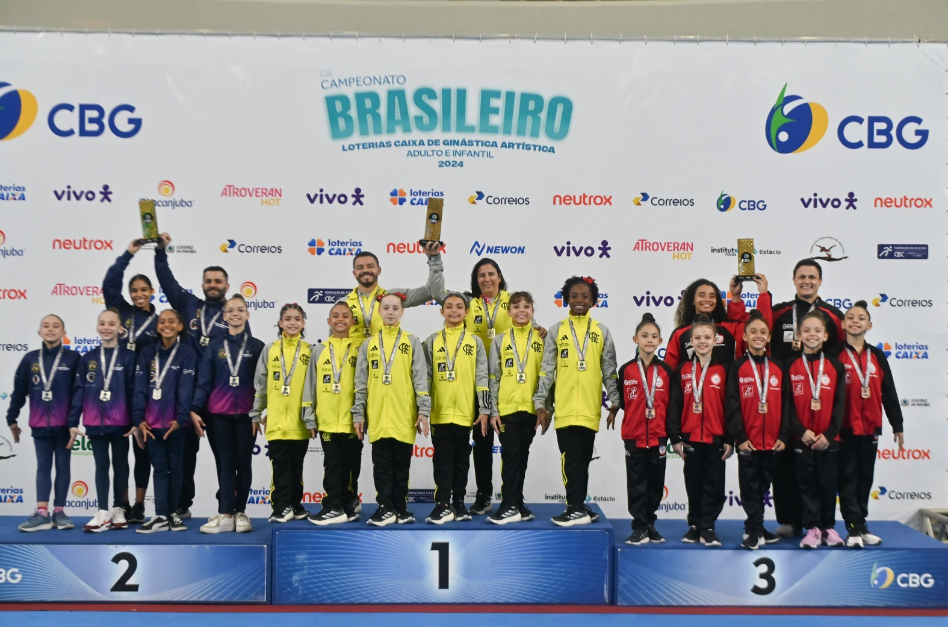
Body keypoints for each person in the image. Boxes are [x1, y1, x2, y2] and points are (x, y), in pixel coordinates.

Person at [342, 244, 443, 514]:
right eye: (360, 267)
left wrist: (433, 258)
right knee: (350, 452)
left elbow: (433, 292)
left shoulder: (394, 298)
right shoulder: (344, 304)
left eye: (370, 266)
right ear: (354, 272)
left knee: (398, 461)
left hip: (396, 395)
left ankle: (396, 507)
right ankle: (349, 501)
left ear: (379, 270)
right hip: (358, 386)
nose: (366, 270)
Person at [154, 232, 235, 521]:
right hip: (186, 399)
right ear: (203, 285)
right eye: (209, 281)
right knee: (184, 456)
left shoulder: (234, 316)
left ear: (227, 286)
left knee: (226, 458)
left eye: (218, 281)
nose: (213, 285)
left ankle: (227, 509)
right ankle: (181, 504)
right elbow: (166, 281)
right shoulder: (189, 305)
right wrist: (160, 252)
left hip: (218, 400)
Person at [459, 259, 545, 514]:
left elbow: (529, 327)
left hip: (509, 386)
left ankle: (514, 499)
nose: (487, 279)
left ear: (499, 276)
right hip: (479, 384)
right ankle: (484, 494)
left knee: (515, 449)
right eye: (481, 275)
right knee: (482, 443)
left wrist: (539, 329)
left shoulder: (513, 301)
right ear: (476, 280)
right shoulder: (470, 304)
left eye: (491, 274)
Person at [534, 276, 620, 527]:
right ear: (566, 299)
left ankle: (579, 505)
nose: (579, 300)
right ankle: (574, 507)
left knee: (582, 460)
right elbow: (546, 371)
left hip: (590, 409)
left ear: (593, 300)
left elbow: (609, 370)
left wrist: (614, 401)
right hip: (565, 409)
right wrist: (541, 404)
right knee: (570, 458)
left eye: (584, 296)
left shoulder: (601, 331)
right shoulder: (556, 330)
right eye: (574, 296)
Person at [770, 259, 844, 539]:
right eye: (801, 276)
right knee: (786, 465)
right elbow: (757, 330)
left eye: (812, 277)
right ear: (793, 279)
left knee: (821, 476)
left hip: (818, 400)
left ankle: (821, 525)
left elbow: (836, 357)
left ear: (820, 281)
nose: (807, 281)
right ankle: (789, 520)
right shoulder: (779, 312)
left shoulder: (833, 315)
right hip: (786, 400)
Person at [829, 300, 904, 548]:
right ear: (842, 323)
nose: (855, 321)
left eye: (861, 318)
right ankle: (852, 527)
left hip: (870, 427)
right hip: (845, 428)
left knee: (865, 478)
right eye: (850, 317)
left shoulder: (878, 356)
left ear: (869, 324)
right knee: (847, 477)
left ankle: (861, 524)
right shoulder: (836, 355)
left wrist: (897, 425)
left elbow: (889, 392)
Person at [352, 292, 431, 526]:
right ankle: (384, 506)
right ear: (379, 311)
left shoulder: (412, 341)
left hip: (403, 415)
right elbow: (360, 382)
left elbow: (420, 378)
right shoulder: (369, 344)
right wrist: (359, 413)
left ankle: (400, 507)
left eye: (395, 308)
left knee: (402, 465)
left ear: (402, 312)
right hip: (377, 416)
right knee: (382, 465)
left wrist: (423, 410)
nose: (390, 312)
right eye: (386, 308)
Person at [191, 295, 264, 533]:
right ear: (224, 316)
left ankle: (240, 512)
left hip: (246, 417)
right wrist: (194, 410)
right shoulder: (214, 346)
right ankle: (225, 514)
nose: (235, 314)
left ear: (247, 315)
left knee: (244, 463)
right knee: (225, 463)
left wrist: (262, 412)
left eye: (240, 310)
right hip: (218, 416)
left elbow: (264, 385)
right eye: (230, 310)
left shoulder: (257, 347)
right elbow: (204, 381)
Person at [7, 314, 82, 532]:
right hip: (39, 424)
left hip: (65, 426)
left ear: (64, 333)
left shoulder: (73, 358)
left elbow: (79, 393)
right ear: (39, 332)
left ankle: (59, 512)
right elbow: (19, 392)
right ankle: (42, 513)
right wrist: (12, 418)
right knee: (43, 468)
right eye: (46, 326)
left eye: (56, 326)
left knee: (63, 467)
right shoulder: (30, 359)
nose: (51, 329)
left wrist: (74, 421)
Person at [103, 239, 160, 524]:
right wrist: (129, 254)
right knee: (118, 454)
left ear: (152, 292)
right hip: (116, 394)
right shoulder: (121, 313)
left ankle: (139, 505)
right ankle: (121, 504)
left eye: (143, 290)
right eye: (134, 291)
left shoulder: (161, 322)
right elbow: (109, 285)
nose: (139, 294)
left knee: (142, 452)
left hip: (146, 396)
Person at [725, 310, 790, 550]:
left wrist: (783, 435)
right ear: (744, 336)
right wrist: (739, 437)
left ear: (770, 337)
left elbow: (786, 404)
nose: (758, 335)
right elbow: (731, 404)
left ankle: (756, 525)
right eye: (753, 331)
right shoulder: (738, 366)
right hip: (748, 441)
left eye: (763, 332)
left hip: (772, 440)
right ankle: (754, 529)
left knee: (763, 486)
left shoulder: (778, 366)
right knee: (749, 486)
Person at [70, 309, 139, 532]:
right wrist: (73, 421)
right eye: (102, 323)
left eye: (111, 323)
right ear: (97, 327)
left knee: (121, 465)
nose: (106, 327)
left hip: (121, 422)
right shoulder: (88, 358)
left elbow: (134, 391)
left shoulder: (129, 357)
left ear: (120, 328)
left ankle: (119, 508)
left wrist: (136, 421)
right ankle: (102, 510)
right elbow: (79, 391)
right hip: (94, 422)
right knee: (101, 465)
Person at [423, 293, 489, 524]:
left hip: (464, 412)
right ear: (441, 311)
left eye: (459, 307)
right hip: (439, 412)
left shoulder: (475, 342)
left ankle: (459, 503)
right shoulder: (431, 341)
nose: (454, 310)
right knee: (442, 458)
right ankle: (442, 503)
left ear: (467, 312)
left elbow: (482, 378)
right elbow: (425, 378)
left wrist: (483, 409)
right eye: (448, 306)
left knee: (461, 458)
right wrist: (424, 408)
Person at [668, 315, 733, 547]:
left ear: (715, 340)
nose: (702, 341)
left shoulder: (724, 370)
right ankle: (695, 524)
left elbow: (730, 407)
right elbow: (674, 404)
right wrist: (675, 436)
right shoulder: (683, 370)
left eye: (707, 337)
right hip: (690, 437)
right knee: (693, 483)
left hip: (716, 437)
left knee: (714, 485)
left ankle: (708, 526)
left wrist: (729, 438)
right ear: (691, 342)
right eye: (698, 338)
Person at [786, 310, 846, 550]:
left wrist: (830, 434)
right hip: (802, 438)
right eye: (807, 330)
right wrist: (800, 430)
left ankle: (828, 527)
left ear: (826, 335)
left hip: (829, 439)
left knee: (828, 484)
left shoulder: (835, 365)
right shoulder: (790, 365)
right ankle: (811, 528)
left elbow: (841, 404)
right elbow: (786, 404)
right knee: (807, 483)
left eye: (817, 331)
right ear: (799, 334)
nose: (812, 335)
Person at [133, 310, 197, 533]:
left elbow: (186, 390)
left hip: (176, 425)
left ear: (180, 326)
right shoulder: (147, 353)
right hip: (151, 426)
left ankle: (173, 514)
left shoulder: (187, 354)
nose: (167, 325)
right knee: (159, 469)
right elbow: (140, 388)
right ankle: (160, 515)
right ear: (157, 327)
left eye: (172, 321)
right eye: (162, 322)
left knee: (177, 468)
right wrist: (139, 420)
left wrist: (180, 419)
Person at [250, 303, 314, 523]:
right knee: (280, 467)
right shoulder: (270, 349)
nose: (292, 322)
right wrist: (257, 413)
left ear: (303, 323)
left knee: (296, 467)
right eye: (288, 319)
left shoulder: (310, 351)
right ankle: (280, 507)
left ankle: (295, 505)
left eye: (297, 319)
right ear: (280, 323)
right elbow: (261, 384)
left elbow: (313, 388)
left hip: (300, 422)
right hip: (276, 421)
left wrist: (310, 417)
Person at [614, 313, 675, 545]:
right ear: (635, 339)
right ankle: (638, 527)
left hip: (659, 437)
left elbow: (671, 406)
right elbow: (621, 400)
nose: (649, 340)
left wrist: (671, 435)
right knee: (637, 483)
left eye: (654, 336)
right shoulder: (626, 370)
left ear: (660, 341)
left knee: (656, 484)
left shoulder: (667, 372)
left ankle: (650, 524)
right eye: (644, 336)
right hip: (634, 436)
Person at [487, 291, 546, 524]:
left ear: (532, 311)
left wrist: (545, 408)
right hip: (507, 410)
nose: (522, 310)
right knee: (510, 456)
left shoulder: (542, 339)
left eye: (527, 306)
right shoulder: (500, 340)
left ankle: (518, 503)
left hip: (531, 409)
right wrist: (493, 410)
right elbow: (493, 377)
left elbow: (546, 377)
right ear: (509, 311)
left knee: (522, 456)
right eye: (516, 306)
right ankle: (509, 503)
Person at [302, 301, 362, 525]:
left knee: (351, 464)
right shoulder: (318, 350)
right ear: (328, 320)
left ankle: (348, 504)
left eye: (345, 316)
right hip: (327, 420)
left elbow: (364, 386)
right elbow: (310, 386)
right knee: (332, 464)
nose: (340, 319)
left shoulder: (360, 349)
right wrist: (310, 417)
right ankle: (333, 506)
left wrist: (361, 415)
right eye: (335, 315)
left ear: (352, 321)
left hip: (352, 420)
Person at [664, 274, 771, 370]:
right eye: (701, 295)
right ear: (692, 300)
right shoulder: (680, 333)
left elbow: (762, 327)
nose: (707, 299)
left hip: (727, 391)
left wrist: (760, 294)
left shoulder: (729, 329)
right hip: (690, 392)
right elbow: (669, 371)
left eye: (712, 296)